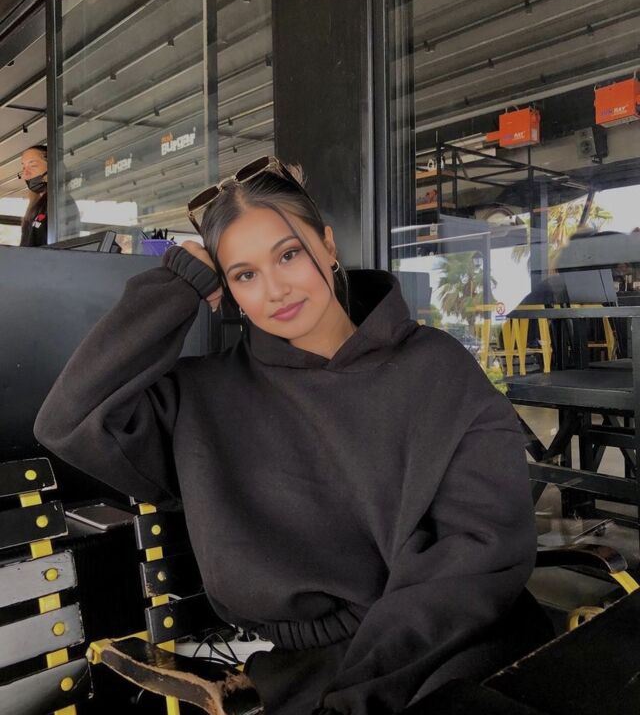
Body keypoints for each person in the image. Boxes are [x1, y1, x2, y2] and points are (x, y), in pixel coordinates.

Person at [34, 157, 542, 715]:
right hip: (307, 676)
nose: (275, 290)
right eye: (244, 275)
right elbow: (69, 420)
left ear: (328, 245)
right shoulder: (203, 398)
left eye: (289, 254)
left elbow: (479, 549)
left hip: (457, 642)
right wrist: (178, 286)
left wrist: (361, 695)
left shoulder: (434, 366)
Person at [19, 145, 80, 246]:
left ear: (52, 168)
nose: (26, 174)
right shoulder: (37, 205)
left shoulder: (59, 202)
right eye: (24, 167)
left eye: (33, 165)